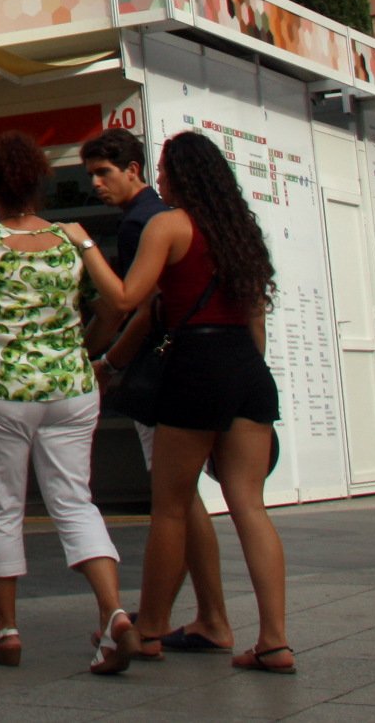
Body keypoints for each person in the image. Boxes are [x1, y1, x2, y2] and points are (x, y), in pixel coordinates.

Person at [106, 131, 294, 676]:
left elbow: (126, 298)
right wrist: (244, 376)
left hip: (196, 365)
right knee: (249, 506)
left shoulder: (169, 225)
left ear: (182, 176)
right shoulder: (240, 233)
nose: (159, 179)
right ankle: (275, 641)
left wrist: (85, 246)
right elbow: (256, 323)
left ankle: (150, 628)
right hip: (246, 370)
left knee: (170, 504)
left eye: (164, 170)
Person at [0, 132, 143, 675]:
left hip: (1, 393)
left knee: (1, 507)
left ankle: (6, 630)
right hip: (70, 386)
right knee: (75, 502)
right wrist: (82, 349)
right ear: (41, 183)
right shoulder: (70, 243)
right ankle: (113, 615)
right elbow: (111, 309)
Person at [82, 126, 231, 654]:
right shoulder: (177, 219)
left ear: (135, 171)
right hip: (216, 369)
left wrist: (107, 357)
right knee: (190, 499)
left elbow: (135, 304)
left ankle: (167, 617)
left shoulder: (146, 223)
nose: (98, 184)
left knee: (175, 500)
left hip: (168, 375)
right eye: (92, 175)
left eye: (104, 173)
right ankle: (206, 613)